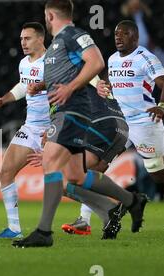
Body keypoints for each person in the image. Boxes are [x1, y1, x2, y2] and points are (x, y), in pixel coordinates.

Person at [12, 0, 145, 248]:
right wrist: (43, 86)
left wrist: (70, 88)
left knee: (51, 164)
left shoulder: (73, 35)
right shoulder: (57, 46)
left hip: (73, 111)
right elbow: (65, 76)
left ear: (50, 16)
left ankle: (43, 232)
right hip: (64, 113)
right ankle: (131, 201)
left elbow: (96, 62)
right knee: (75, 175)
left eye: (46, 16)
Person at [97, 20, 164, 231]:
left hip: (145, 123)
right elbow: (107, 83)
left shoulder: (145, 58)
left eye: (124, 34)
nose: (118, 37)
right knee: (97, 166)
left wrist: (162, 106)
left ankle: (134, 201)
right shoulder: (112, 60)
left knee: (160, 175)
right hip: (121, 124)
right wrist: (102, 87)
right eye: (116, 34)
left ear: (136, 38)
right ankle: (86, 220)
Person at [0, 22, 50, 239]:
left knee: (70, 181)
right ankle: (14, 228)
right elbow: (23, 86)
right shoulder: (24, 63)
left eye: (28, 38)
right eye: (21, 38)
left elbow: (66, 91)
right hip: (31, 127)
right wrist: (3, 100)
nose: (23, 42)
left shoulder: (53, 62)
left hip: (54, 128)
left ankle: (99, 212)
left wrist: (54, 130)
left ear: (41, 39)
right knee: (5, 172)